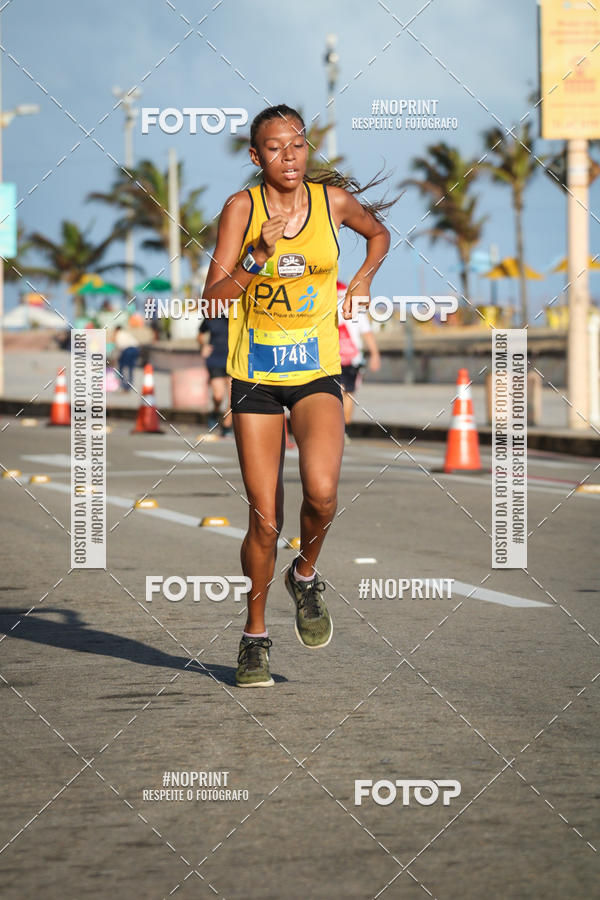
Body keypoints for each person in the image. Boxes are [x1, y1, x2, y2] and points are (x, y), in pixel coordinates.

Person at [202, 104, 391, 687]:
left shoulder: (331, 204)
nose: (290, 157)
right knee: (264, 520)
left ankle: (304, 575)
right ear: (256, 157)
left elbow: (379, 233)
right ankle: (255, 637)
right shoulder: (241, 208)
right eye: (276, 148)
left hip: (314, 370)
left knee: (324, 493)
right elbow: (214, 296)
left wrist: (362, 277)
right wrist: (258, 256)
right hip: (255, 374)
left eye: (299, 145)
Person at [336, 279, 381, 440]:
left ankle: (337, 430)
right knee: (349, 394)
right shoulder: (355, 306)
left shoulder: (326, 305)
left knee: (336, 394)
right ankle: (344, 430)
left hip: (332, 358)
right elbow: (367, 332)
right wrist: (375, 354)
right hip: (353, 359)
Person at [198, 312, 233, 437]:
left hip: (232, 360)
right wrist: (203, 346)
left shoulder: (238, 316)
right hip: (215, 360)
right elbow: (200, 334)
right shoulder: (212, 317)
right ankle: (214, 412)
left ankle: (226, 426)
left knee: (233, 398)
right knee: (218, 395)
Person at [114, 325, 140, 392]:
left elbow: (120, 347)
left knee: (122, 368)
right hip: (135, 349)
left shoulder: (118, 334)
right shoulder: (126, 333)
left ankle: (124, 386)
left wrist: (117, 358)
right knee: (130, 368)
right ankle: (129, 386)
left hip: (127, 350)